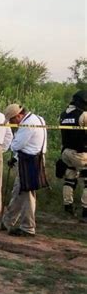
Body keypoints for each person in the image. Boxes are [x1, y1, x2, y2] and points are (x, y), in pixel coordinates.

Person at [1, 104, 47, 237]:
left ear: (18, 116)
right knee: (18, 192)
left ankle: (28, 227)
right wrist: (15, 158)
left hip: (30, 161)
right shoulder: (38, 119)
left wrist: (14, 148)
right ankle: (7, 221)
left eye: (12, 120)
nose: (11, 123)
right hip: (31, 159)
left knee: (27, 195)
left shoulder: (27, 125)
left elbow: (17, 144)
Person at [59, 90, 87, 222]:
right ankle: (86, 210)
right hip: (81, 153)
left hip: (66, 152)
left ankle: (68, 207)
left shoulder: (63, 115)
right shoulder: (84, 115)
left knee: (69, 178)